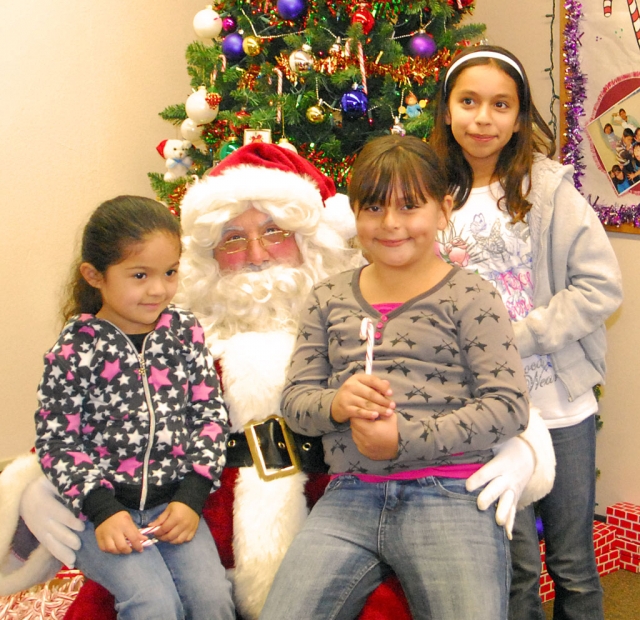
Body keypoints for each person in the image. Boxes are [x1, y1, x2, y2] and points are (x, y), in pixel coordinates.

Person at [0, 143, 554, 620]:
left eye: (274, 232)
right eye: (234, 240)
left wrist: (525, 448)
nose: (258, 254)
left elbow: (476, 391)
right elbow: (81, 417)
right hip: (186, 527)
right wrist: (37, 486)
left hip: (345, 499)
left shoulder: (352, 315)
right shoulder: (179, 332)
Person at [260, 135, 532, 620]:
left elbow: (507, 406)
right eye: (373, 207)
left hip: (451, 493)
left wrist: (404, 438)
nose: (390, 224)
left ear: (444, 209)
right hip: (349, 495)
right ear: (355, 214)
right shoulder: (328, 298)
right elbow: (296, 402)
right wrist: (337, 404)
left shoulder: (473, 296)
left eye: (410, 206)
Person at [430, 45, 623, 620]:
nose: (482, 118)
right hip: (480, 413)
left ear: (519, 116)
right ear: (446, 111)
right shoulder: (428, 193)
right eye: (468, 102)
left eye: (499, 104)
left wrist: (513, 336)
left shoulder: (549, 191)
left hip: (558, 404)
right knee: (512, 570)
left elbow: (599, 289)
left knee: (572, 566)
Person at [32, 196, 234, 620]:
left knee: (213, 598)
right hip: (100, 511)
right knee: (154, 605)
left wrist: (192, 495)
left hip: (174, 505)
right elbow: (57, 440)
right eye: (140, 275)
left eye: (170, 272)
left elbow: (210, 416)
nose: (159, 288)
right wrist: (102, 510)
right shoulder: (75, 349)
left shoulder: (184, 331)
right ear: (95, 276)